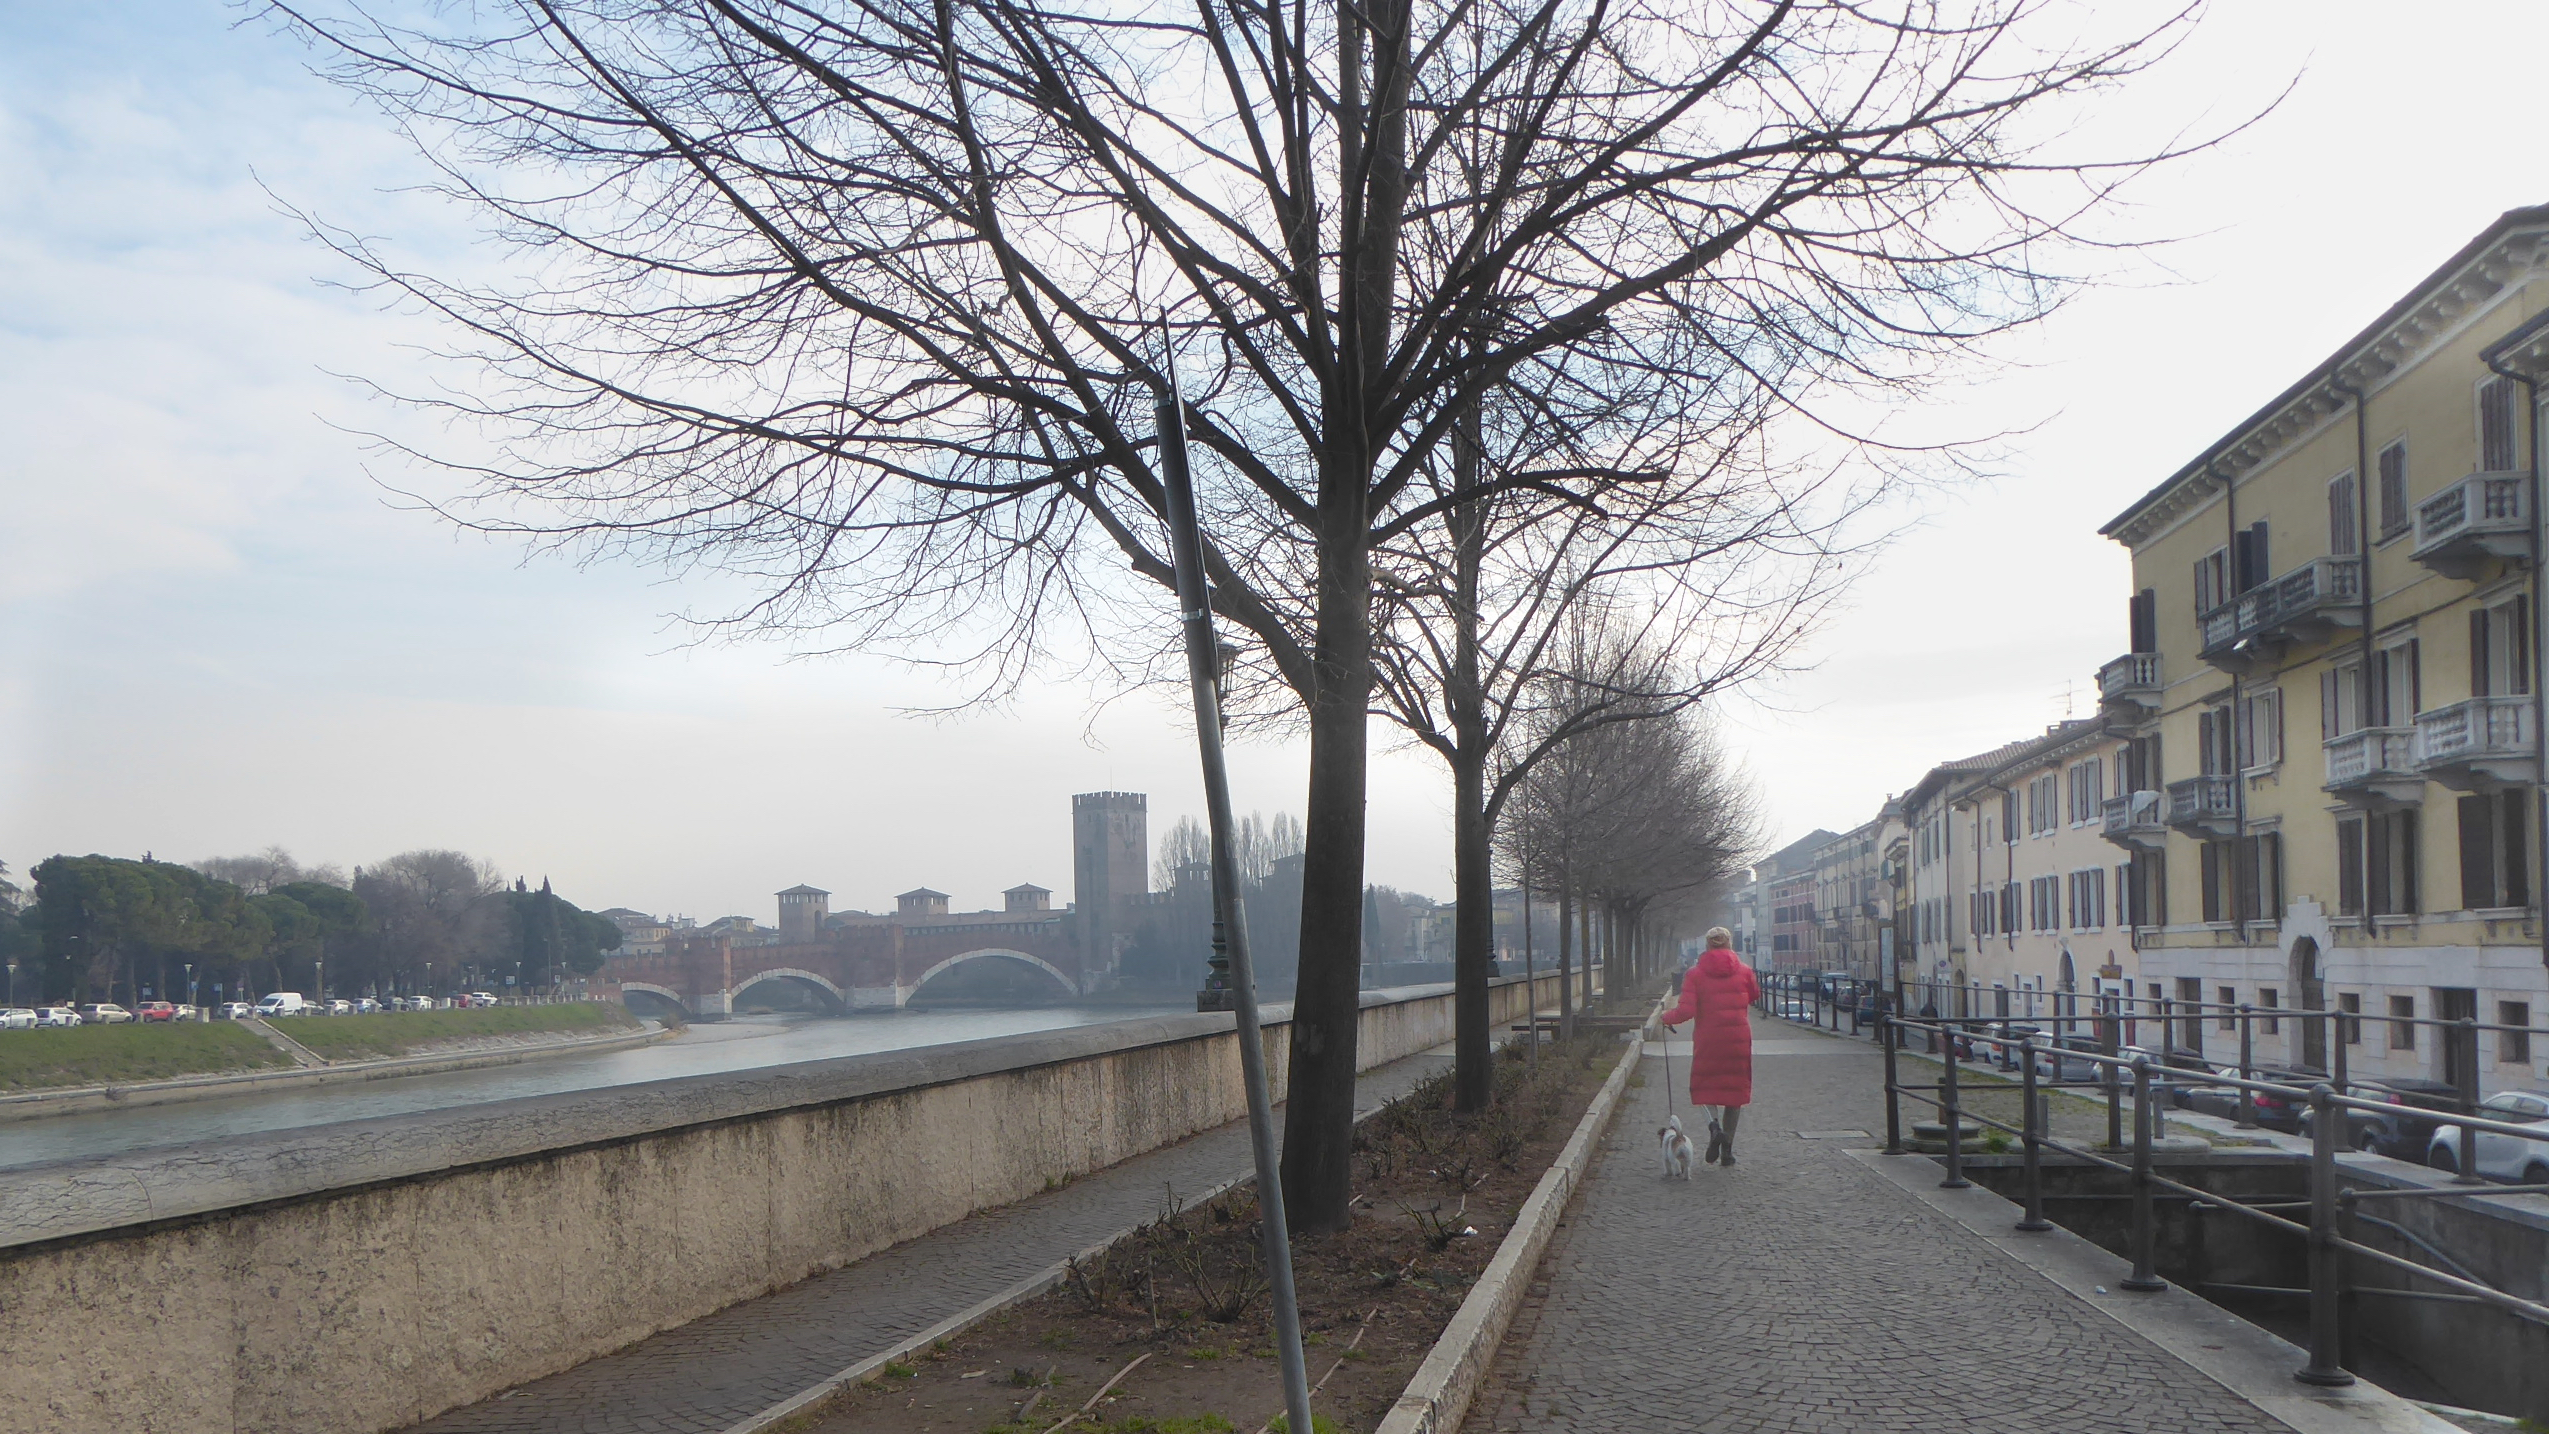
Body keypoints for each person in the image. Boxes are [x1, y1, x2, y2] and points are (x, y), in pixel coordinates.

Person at [1660, 927, 1761, 1166]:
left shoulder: (1695, 974)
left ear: (1707, 946)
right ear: (1730, 943)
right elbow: (1754, 995)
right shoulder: (1745, 971)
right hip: (1738, 1039)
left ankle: (1714, 1128)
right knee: (1734, 1093)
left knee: (1704, 1088)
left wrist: (1666, 1018)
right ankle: (1728, 1151)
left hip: (1708, 1039)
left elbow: (1686, 1010)